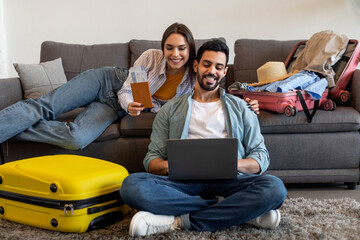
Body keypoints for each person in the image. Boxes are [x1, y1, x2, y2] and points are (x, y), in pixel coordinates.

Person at [120, 39, 287, 237]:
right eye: (207, 64)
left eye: (219, 67)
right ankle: (235, 211)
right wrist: (174, 166)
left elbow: (261, 157)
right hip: (183, 185)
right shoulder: (169, 110)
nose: (212, 71)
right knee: (131, 186)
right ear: (196, 65)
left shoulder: (242, 108)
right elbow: (151, 160)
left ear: (225, 71)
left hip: (231, 182)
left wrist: (233, 164)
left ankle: (177, 221)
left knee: (274, 188)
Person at [0, 23, 258, 150]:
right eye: (169, 47)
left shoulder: (195, 77)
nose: (175, 54)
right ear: (163, 47)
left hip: (115, 107)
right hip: (108, 81)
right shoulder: (149, 57)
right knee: (47, 107)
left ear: (191, 52)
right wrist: (132, 103)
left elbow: (220, 87)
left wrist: (247, 100)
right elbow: (127, 89)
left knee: (76, 138)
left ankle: (14, 127)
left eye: (181, 48)